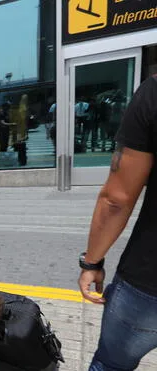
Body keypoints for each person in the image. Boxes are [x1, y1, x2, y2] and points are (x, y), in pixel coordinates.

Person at [78, 75, 157, 370]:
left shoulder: (152, 94)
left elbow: (117, 199)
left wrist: (91, 263)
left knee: (111, 365)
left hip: (148, 283)